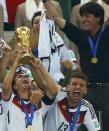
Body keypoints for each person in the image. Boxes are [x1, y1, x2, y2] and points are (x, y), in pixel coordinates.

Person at [42, 0, 109, 130]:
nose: (83, 19)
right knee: (83, 126)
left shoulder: (107, 34)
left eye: (87, 16)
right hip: (87, 90)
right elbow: (57, 18)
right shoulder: (80, 36)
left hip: (107, 88)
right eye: (82, 16)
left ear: (99, 18)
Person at [30, 11, 77, 84]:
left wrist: (71, 65)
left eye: (43, 22)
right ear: (32, 27)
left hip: (56, 85)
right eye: (36, 23)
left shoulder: (59, 45)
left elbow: (74, 65)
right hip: (35, 85)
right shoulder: (27, 45)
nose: (40, 24)